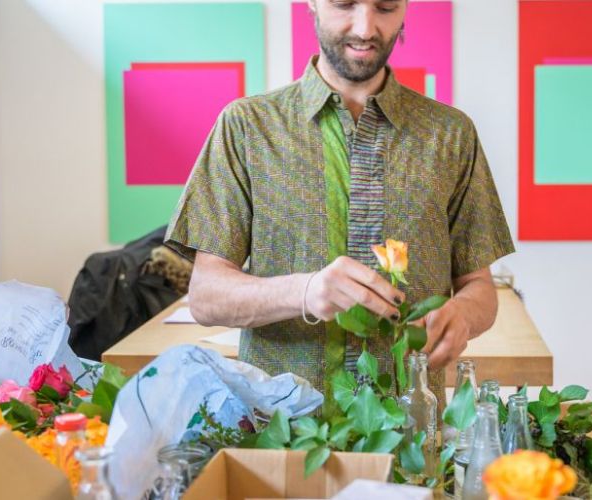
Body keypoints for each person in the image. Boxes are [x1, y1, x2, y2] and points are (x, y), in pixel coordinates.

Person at [165, 0, 513, 410]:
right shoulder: (246, 127)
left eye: (385, 7)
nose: (366, 28)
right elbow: (206, 297)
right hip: (279, 438)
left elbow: (480, 289)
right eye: (345, 4)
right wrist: (306, 291)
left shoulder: (451, 135)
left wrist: (462, 316)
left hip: (410, 438)